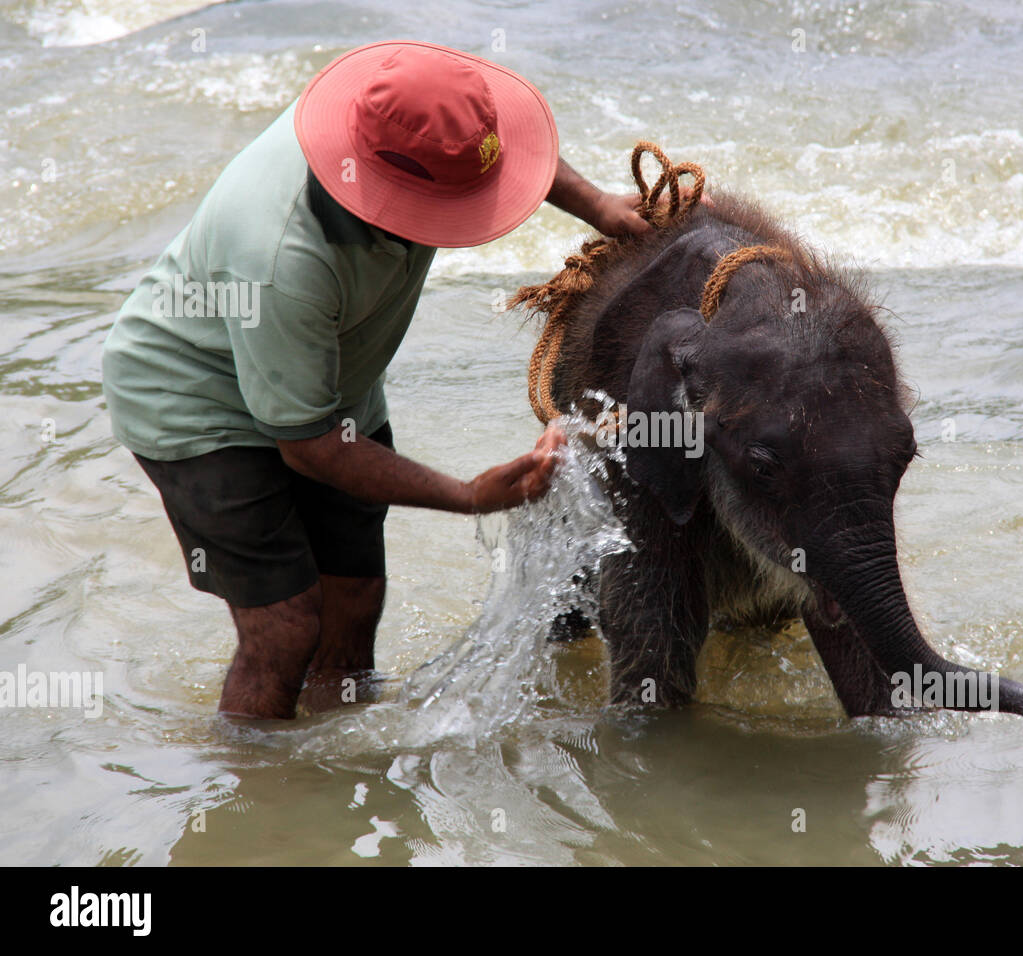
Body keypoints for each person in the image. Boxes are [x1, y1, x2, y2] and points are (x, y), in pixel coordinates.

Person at [101, 40, 651, 720]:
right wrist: (467, 495)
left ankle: (338, 770)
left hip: (331, 384)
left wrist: (599, 206)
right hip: (194, 400)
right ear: (388, 193)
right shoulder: (281, 259)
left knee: (355, 596)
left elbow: (508, 149)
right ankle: (262, 796)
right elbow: (310, 447)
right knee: (286, 624)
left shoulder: (398, 115)